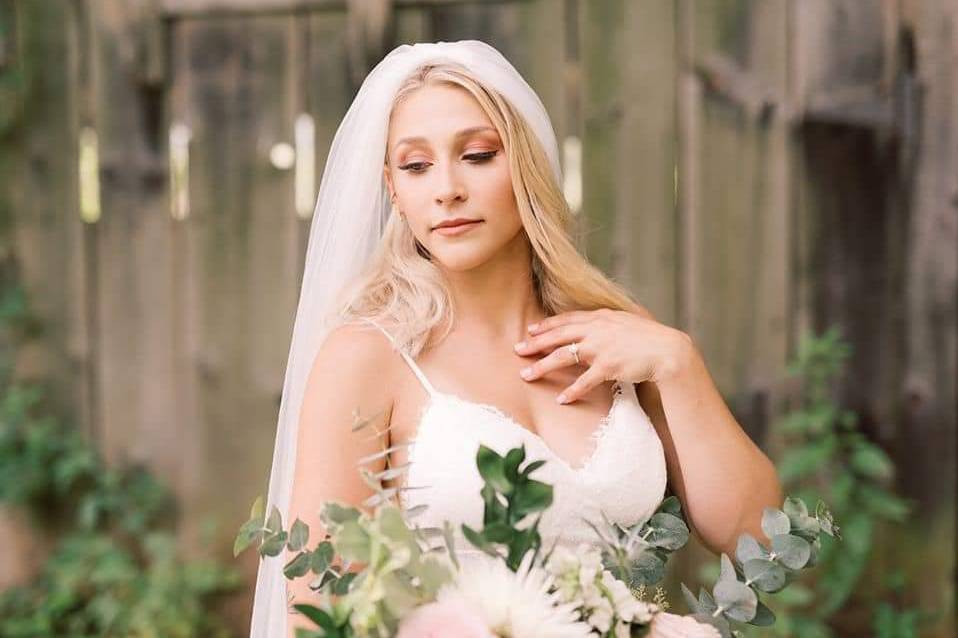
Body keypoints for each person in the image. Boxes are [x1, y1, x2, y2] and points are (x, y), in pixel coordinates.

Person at [249, 39, 782, 638]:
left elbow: (758, 537)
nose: (446, 188)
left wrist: (679, 363)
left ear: (525, 165)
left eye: (476, 155)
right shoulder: (369, 355)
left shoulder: (619, 337)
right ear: (392, 189)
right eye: (416, 165)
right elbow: (320, 609)